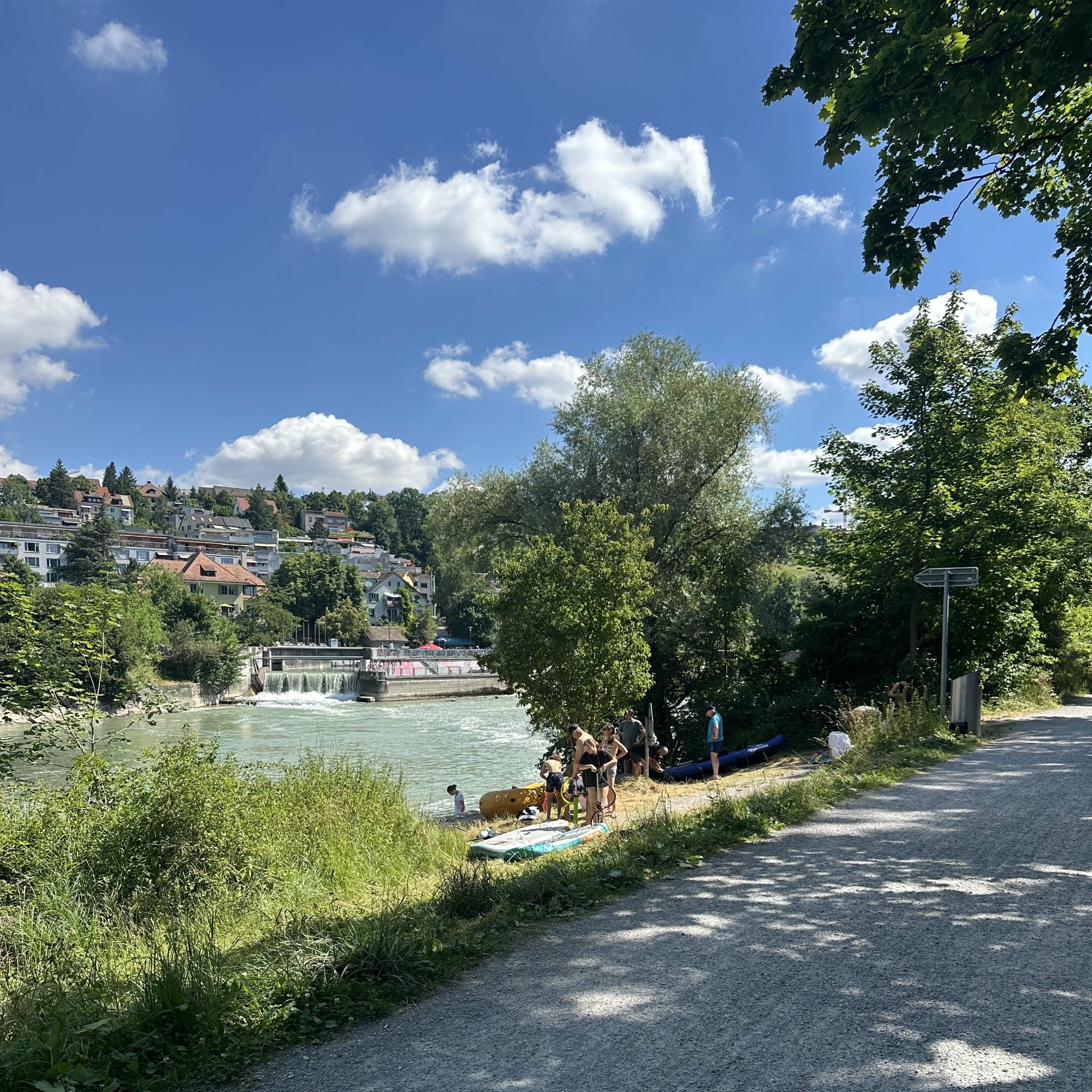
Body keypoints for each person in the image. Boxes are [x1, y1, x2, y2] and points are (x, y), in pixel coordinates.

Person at [571, 724, 612, 823]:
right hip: (590, 778)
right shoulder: (586, 751)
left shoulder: (601, 752)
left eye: (590, 749)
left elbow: (614, 760)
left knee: (600, 805)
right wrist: (589, 766)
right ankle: (592, 823)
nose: (588, 751)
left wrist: (605, 765)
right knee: (592, 804)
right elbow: (579, 764)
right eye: (587, 750)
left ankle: (601, 823)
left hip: (601, 779)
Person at [598, 723, 629, 816]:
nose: (605, 732)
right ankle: (609, 806)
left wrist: (616, 757)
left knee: (611, 787)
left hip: (611, 765)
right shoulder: (604, 740)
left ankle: (614, 809)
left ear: (611, 731)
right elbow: (599, 749)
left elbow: (625, 750)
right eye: (604, 730)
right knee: (605, 787)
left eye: (607, 730)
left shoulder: (614, 740)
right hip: (604, 765)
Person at [618, 709, 643, 775]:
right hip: (625, 744)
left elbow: (643, 732)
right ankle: (626, 775)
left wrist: (639, 740)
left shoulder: (637, 722)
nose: (628, 715)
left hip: (634, 745)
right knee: (625, 760)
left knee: (634, 761)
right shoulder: (623, 723)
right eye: (627, 714)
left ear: (633, 714)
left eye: (630, 713)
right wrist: (619, 742)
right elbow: (619, 733)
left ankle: (634, 776)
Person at [540, 753, 565, 820]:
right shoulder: (559, 763)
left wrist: (546, 779)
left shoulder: (546, 762)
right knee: (559, 798)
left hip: (552, 776)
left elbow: (541, 774)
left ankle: (548, 817)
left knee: (548, 798)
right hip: (560, 776)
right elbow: (560, 770)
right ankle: (558, 817)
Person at [706, 702, 724, 780]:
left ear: (710, 711)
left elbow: (716, 727)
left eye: (707, 714)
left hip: (714, 741)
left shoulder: (713, 718)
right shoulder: (718, 715)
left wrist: (715, 736)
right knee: (715, 757)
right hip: (719, 740)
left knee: (713, 757)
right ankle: (716, 775)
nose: (707, 716)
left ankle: (715, 775)